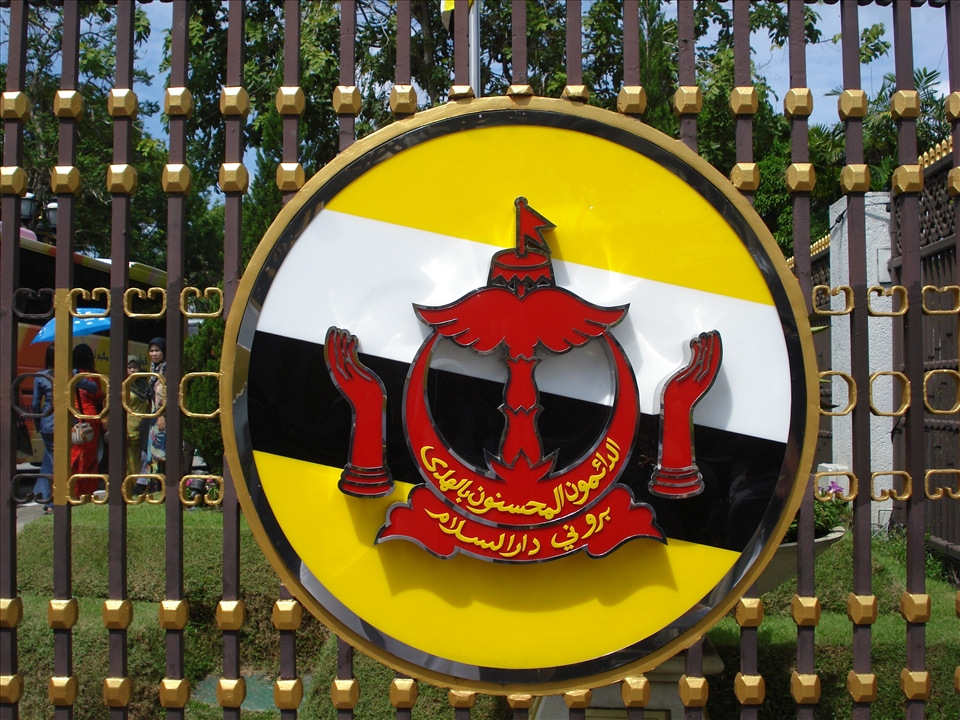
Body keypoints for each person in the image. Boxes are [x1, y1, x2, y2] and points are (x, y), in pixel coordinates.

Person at [71, 344, 104, 498]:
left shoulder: (69, 374)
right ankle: (87, 489)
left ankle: (73, 487)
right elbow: (98, 396)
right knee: (89, 455)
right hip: (89, 418)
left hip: (72, 416)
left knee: (74, 453)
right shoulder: (93, 376)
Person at [138, 338, 166, 489]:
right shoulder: (153, 368)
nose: (154, 354)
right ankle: (153, 484)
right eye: (152, 351)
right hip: (154, 414)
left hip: (162, 416)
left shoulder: (166, 369)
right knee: (153, 452)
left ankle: (161, 484)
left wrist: (162, 415)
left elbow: (165, 394)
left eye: (157, 350)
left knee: (160, 452)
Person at [31, 344, 55, 512]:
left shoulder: (40, 376)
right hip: (64, 425)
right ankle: (51, 503)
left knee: (49, 460)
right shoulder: (71, 374)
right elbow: (93, 387)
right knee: (57, 464)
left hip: (47, 424)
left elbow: (34, 405)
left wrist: (38, 424)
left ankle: (41, 493)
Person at [124, 355, 150, 477]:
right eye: (129, 367)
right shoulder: (123, 386)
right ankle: (130, 491)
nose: (133, 371)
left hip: (144, 429)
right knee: (130, 463)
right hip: (129, 431)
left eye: (135, 367)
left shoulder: (144, 385)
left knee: (144, 463)